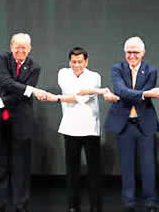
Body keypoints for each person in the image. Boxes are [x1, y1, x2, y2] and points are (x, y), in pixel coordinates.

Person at [43, 46, 119, 212]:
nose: (76, 65)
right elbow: (74, 93)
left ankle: (95, 205)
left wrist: (56, 98)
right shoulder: (63, 73)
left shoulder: (94, 76)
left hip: (90, 128)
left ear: (86, 62)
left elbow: (83, 96)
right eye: (73, 62)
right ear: (69, 61)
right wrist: (100, 91)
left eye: (80, 62)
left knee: (94, 170)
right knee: (72, 170)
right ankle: (73, 205)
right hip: (70, 128)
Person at [0, 33, 46, 212]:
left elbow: (18, 95)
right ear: (11, 46)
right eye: (17, 46)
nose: (20, 50)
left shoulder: (34, 67)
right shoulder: (1, 59)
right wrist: (30, 89)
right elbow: (6, 82)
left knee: (21, 166)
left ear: (30, 49)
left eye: (24, 47)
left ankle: (20, 204)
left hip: (21, 121)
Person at [104, 36, 159, 212]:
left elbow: (127, 94)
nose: (132, 55)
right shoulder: (117, 68)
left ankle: (151, 202)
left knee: (148, 165)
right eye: (129, 52)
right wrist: (145, 94)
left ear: (143, 53)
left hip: (144, 123)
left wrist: (133, 94)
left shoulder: (151, 70)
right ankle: (129, 202)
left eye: (135, 52)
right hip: (124, 123)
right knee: (126, 166)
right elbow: (120, 90)